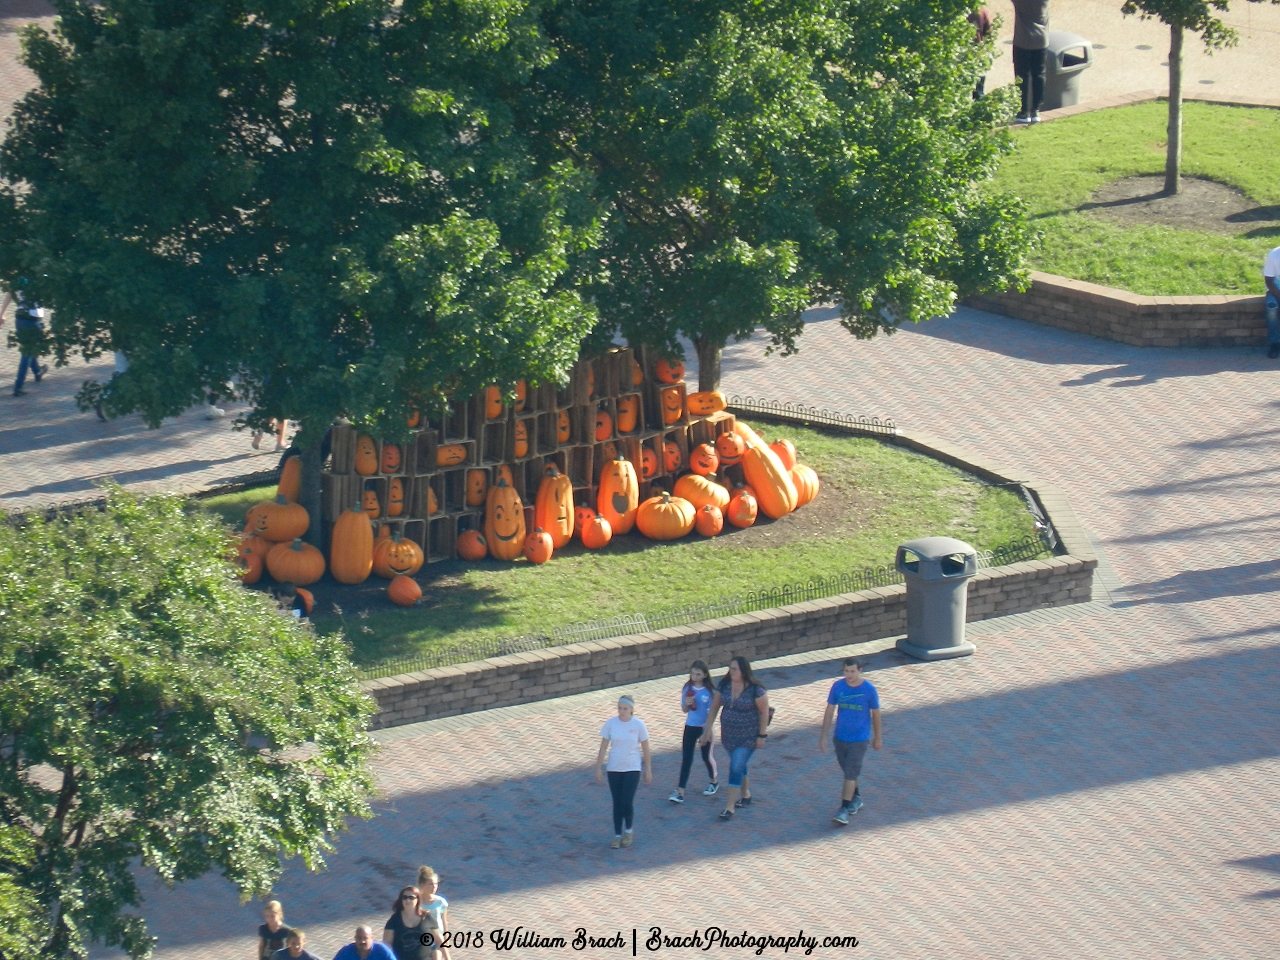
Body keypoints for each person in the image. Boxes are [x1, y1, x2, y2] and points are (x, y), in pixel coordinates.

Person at [701, 656, 770, 820]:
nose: (731, 672)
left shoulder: (756, 690)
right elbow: (714, 707)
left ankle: (729, 806)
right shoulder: (724, 685)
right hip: (729, 736)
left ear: (743, 671)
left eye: (735, 669)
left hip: (748, 737)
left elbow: (764, 712)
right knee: (740, 765)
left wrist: (762, 735)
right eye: (730, 668)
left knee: (736, 766)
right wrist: (707, 730)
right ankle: (746, 794)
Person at [819, 657, 882, 826]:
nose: (849, 675)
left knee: (850, 773)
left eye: (852, 671)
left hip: (859, 739)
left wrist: (878, 737)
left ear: (860, 670)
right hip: (840, 737)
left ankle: (844, 809)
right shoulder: (837, 687)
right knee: (849, 771)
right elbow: (830, 710)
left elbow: (876, 714)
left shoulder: (869, 690)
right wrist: (823, 735)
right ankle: (856, 797)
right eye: (846, 671)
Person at [593, 695, 652, 848]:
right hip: (614, 768)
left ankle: (629, 830)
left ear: (631, 709)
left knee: (627, 800)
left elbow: (645, 747)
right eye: (619, 708)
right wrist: (598, 767)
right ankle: (617, 834)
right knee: (617, 802)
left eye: (625, 708)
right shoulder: (611, 724)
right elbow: (604, 746)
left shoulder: (638, 725)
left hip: (632, 767)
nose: (622, 711)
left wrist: (648, 769)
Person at [668, 660, 719, 803]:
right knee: (686, 758)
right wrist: (687, 704)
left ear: (704, 675)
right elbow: (684, 709)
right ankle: (680, 790)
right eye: (692, 673)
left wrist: (707, 731)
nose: (694, 676)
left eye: (698, 674)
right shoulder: (687, 688)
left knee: (706, 756)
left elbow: (711, 713)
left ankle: (713, 780)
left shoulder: (709, 692)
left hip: (703, 727)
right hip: (690, 726)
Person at [1, 283, 48, 397]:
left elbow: (9, 294)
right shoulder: (41, 277)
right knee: (27, 353)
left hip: (20, 319)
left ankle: (37, 371)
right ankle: (19, 386)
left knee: (28, 348)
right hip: (33, 320)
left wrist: (2, 313)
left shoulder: (19, 277)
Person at [1011, 0, 1050, 124]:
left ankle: (1024, 111)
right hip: (1041, 40)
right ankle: (1035, 110)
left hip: (1023, 40)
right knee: (1039, 75)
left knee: (1022, 76)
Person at [383, 886, 431, 960]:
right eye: (404, 897)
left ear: (417, 899)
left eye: (411, 897)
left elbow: (438, 941)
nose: (407, 900)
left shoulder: (426, 917)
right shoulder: (395, 919)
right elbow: (387, 943)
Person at [416, 866, 451, 960]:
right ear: (422, 885)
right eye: (430, 884)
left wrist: (446, 939)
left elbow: (444, 922)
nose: (434, 887)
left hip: (437, 939)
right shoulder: (416, 901)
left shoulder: (440, 902)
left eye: (435, 884)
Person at [968, 6, 993, 99]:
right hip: (978, 52)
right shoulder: (981, 10)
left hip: (958, 54)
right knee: (979, 92)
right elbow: (989, 32)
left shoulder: (954, 11)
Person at [1264, 244, 1280, 359]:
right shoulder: (1274, 255)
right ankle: (1275, 343)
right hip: (1276, 289)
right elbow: (1269, 281)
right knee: (1271, 307)